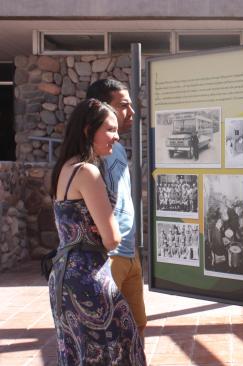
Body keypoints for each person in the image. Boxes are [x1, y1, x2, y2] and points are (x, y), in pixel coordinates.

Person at [48, 99, 145, 364]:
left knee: (78, 352)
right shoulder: (88, 172)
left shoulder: (63, 169)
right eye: (110, 129)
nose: (116, 136)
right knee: (118, 349)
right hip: (89, 278)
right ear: (88, 130)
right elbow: (112, 237)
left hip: (63, 278)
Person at [86, 79, 147, 341]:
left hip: (129, 253)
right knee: (110, 335)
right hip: (106, 257)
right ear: (100, 109)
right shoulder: (87, 157)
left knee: (138, 326)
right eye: (123, 106)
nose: (131, 113)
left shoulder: (118, 148)